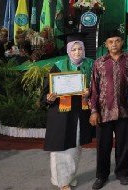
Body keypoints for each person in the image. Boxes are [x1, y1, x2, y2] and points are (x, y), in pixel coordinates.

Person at [43, 33, 95, 190]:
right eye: (74, 49)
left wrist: (89, 92)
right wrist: (49, 98)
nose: (77, 52)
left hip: (80, 112)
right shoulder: (58, 66)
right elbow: (45, 92)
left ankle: (69, 177)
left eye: (80, 49)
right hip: (61, 113)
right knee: (61, 148)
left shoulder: (90, 65)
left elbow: (97, 88)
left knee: (75, 146)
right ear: (68, 51)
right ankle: (62, 182)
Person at [89, 29, 128, 189]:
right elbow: (94, 89)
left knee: (123, 144)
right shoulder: (99, 63)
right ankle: (101, 176)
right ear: (106, 44)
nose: (114, 44)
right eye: (110, 42)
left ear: (122, 42)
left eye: (117, 40)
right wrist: (94, 111)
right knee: (103, 146)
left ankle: (122, 173)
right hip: (104, 111)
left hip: (125, 110)